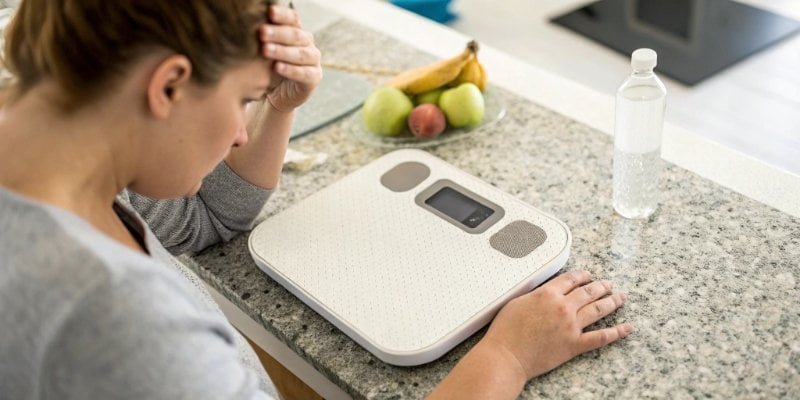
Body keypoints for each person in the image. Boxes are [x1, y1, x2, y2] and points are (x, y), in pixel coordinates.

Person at [0, 1, 631, 399]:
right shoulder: (119, 322)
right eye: (245, 99)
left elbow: (206, 218)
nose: (241, 133)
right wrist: (506, 358)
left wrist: (278, 106)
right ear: (167, 85)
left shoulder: (57, 160)